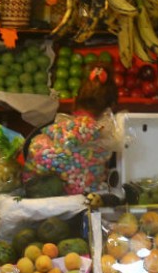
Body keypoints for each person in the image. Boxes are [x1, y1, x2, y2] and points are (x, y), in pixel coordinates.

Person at [24, 65, 120, 194]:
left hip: (44, 206)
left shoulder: (48, 133)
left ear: (74, 101)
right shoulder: (110, 143)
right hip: (91, 205)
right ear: (111, 109)